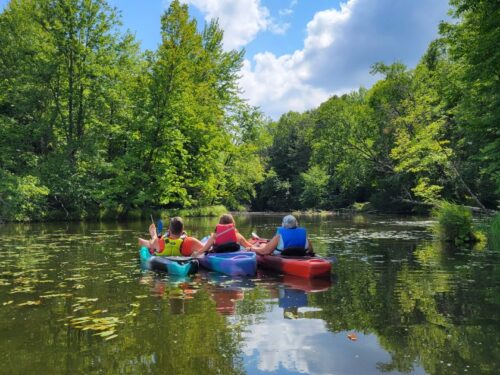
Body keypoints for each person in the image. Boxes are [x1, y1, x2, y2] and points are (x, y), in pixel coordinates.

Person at [249, 214, 314, 256]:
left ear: (283, 224)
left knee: (263, 245)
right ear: (296, 223)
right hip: (301, 257)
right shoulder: (304, 234)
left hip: (282, 257)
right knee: (265, 245)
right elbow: (311, 250)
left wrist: (252, 249)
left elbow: (264, 252)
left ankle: (256, 246)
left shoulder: (279, 236)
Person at [138, 216, 204, 257]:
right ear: (182, 229)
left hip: (161, 268)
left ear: (169, 229)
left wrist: (154, 235)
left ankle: (154, 233)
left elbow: (143, 243)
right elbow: (206, 249)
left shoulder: (160, 241)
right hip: (181, 265)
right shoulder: (191, 241)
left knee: (154, 242)